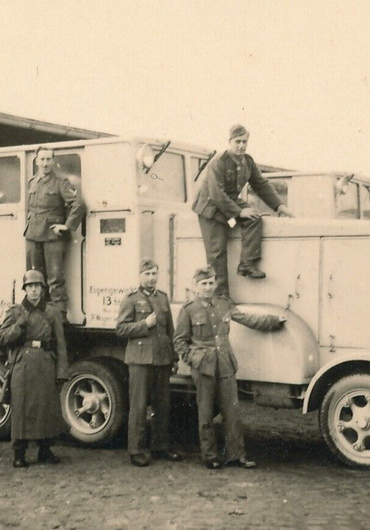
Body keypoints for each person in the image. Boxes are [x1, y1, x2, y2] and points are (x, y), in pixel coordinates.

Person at [174, 266, 287, 470]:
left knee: (232, 412)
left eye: (211, 283)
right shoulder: (189, 309)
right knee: (206, 413)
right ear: (195, 286)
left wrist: (273, 321)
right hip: (204, 367)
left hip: (225, 365)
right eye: (203, 284)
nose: (208, 287)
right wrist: (193, 359)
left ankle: (237, 455)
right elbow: (180, 341)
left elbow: (246, 318)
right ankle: (210, 456)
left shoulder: (223, 304)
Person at [191, 124, 293, 297]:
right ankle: (220, 296)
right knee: (217, 252)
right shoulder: (219, 162)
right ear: (229, 141)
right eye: (237, 141)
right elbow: (216, 194)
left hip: (229, 202)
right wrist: (239, 212)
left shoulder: (248, 161)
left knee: (255, 217)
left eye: (244, 142)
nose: (241, 145)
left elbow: (261, 185)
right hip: (210, 207)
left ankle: (247, 263)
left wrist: (280, 206)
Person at [0, 269, 69, 468]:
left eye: (37, 286)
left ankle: (45, 449)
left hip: (45, 362)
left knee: (46, 407)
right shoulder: (16, 311)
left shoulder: (52, 312)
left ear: (43, 289)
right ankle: (19, 452)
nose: (34, 290)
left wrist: (62, 371)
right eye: (30, 286)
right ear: (25, 289)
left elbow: (60, 343)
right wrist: (18, 326)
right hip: (23, 364)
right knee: (21, 408)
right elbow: (1, 337)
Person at [115, 259, 182, 467]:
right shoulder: (131, 299)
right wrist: (145, 324)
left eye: (154, 273)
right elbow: (121, 329)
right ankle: (136, 450)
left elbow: (169, 330)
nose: (151, 278)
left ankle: (160, 446)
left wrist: (174, 357)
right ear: (139, 276)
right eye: (147, 274)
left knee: (162, 404)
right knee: (139, 405)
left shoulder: (162, 297)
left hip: (162, 358)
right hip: (140, 360)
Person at [24, 146, 86, 309]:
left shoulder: (61, 182)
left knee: (55, 279)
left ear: (53, 161)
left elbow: (78, 204)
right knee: (34, 278)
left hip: (52, 237)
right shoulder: (32, 182)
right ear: (36, 161)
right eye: (42, 159)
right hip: (32, 235)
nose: (45, 163)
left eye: (48, 159)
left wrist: (66, 226)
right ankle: (37, 316)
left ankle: (59, 319)